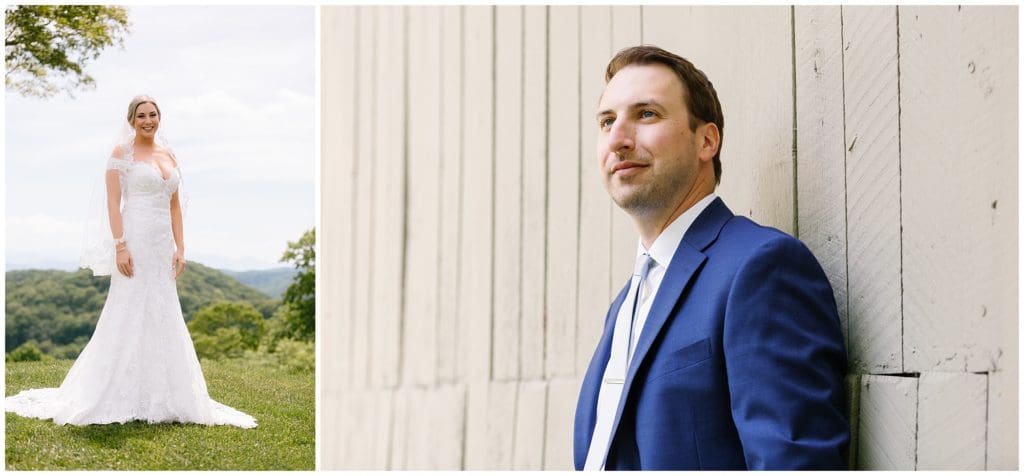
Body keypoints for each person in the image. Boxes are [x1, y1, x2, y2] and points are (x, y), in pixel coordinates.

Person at [574, 46, 848, 470]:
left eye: (646, 114)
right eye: (607, 121)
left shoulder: (760, 268)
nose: (618, 138)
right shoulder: (626, 303)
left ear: (706, 140)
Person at [5, 95, 256, 428]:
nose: (148, 120)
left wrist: (181, 247)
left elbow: (175, 206)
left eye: (153, 114)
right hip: (134, 240)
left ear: (159, 117)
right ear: (131, 120)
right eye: (141, 115)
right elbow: (113, 203)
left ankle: (164, 392)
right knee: (127, 307)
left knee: (162, 309)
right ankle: (114, 390)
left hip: (161, 243)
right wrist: (120, 246)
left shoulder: (169, 155)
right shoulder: (121, 154)